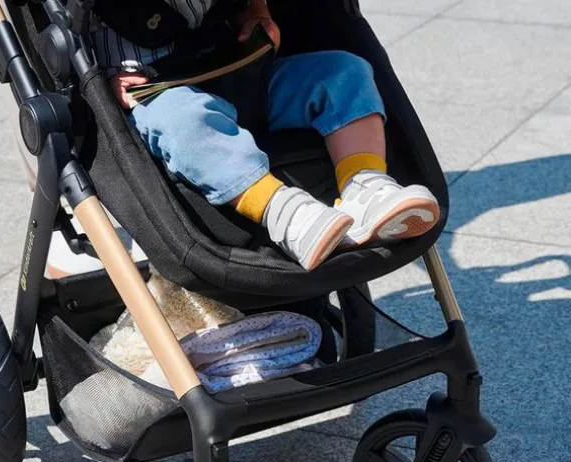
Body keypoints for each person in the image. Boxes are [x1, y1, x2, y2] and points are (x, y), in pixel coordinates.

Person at [100, 0, 440, 271]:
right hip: (156, 91)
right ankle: (286, 215)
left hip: (239, 70)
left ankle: (366, 186)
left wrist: (256, 13)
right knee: (187, 125)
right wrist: (103, 80)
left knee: (345, 72)